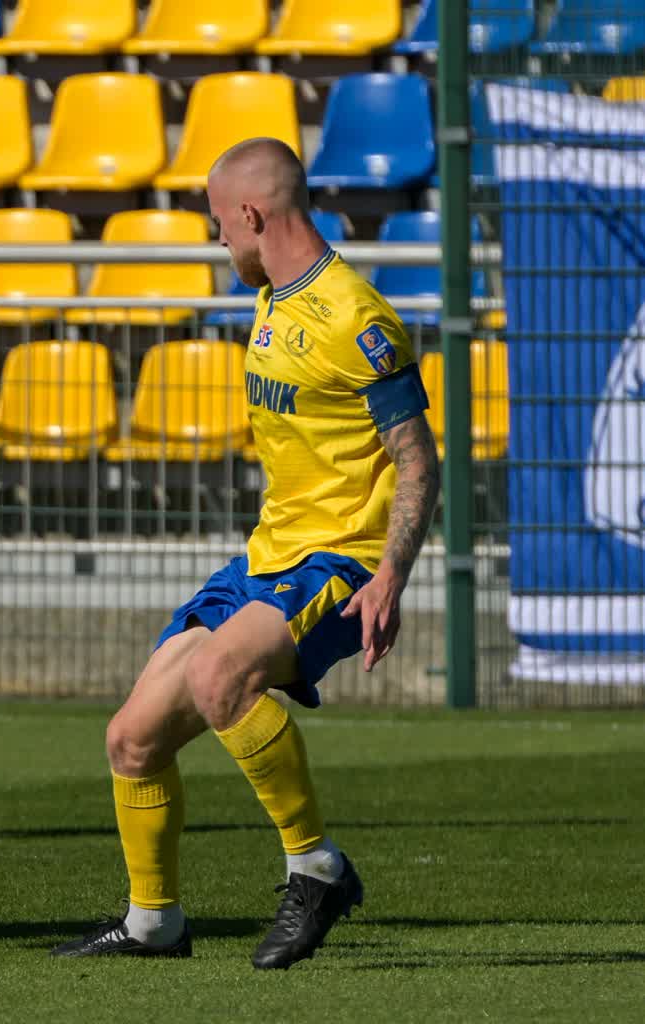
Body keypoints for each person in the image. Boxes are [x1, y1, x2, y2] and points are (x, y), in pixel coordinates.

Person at [51, 138, 441, 969]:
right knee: (131, 739)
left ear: (254, 216)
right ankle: (154, 924)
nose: (217, 236)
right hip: (266, 560)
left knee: (219, 676)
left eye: (219, 221)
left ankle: (317, 867)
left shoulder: (358, 319)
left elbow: (417, 459)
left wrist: (390, 577)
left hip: (339, 563)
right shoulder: (269, 297)